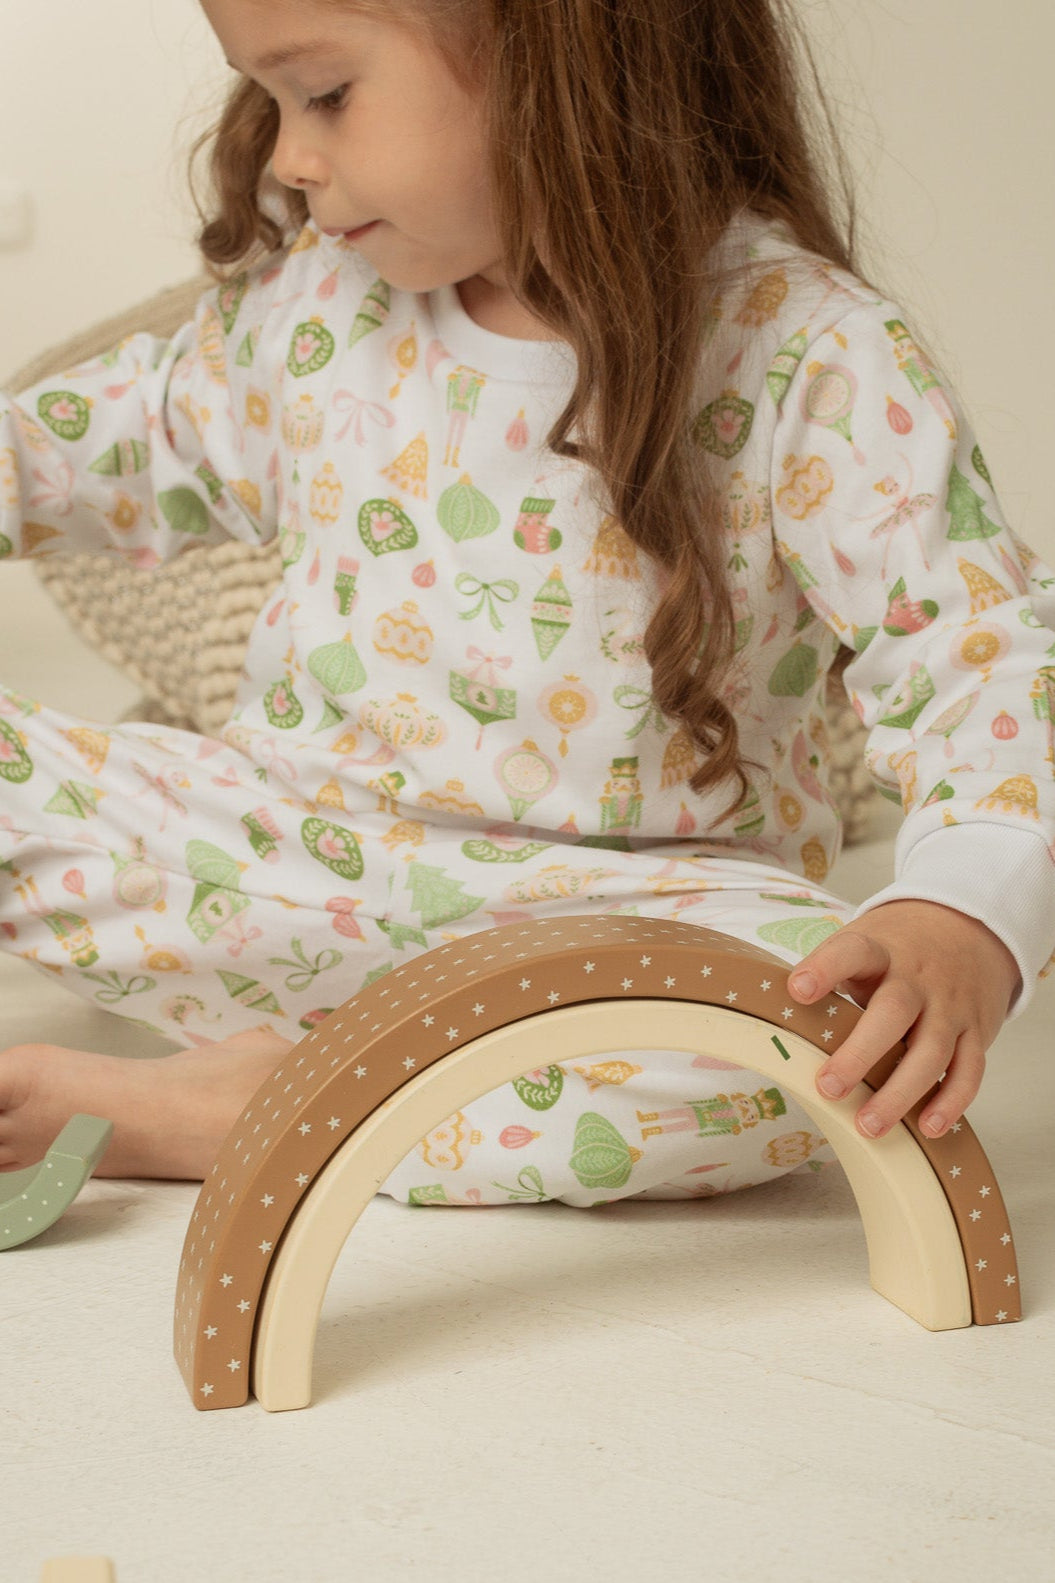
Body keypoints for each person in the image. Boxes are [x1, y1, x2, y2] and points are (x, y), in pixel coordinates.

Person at [0, 0, 1051, 1207]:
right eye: (267, 99)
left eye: (326, 94)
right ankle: (364, 1077)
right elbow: (90, 444)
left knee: (815, 1035)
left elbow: (981, 654)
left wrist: (961, 913)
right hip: (292, 861)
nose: (287, 155)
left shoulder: (808, 349)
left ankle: (261, 1103)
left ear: (558, 53)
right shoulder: (315, 306)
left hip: (620, 920)